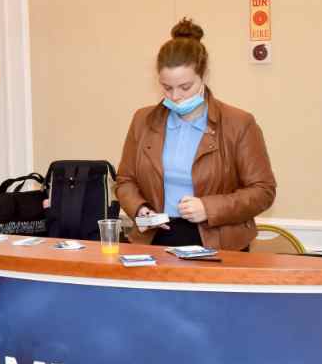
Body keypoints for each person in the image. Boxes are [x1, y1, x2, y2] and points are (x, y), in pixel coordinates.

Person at [115, 19, 276, 252]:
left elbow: (263, 191)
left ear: (204, 76)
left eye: (185, 87)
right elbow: (125, 180)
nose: (175, 96)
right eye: (167, 88)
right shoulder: (143, 120)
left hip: (219, 242)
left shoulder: (239, 123)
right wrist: (139, 209)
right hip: (155, 239)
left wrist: (209, 208)